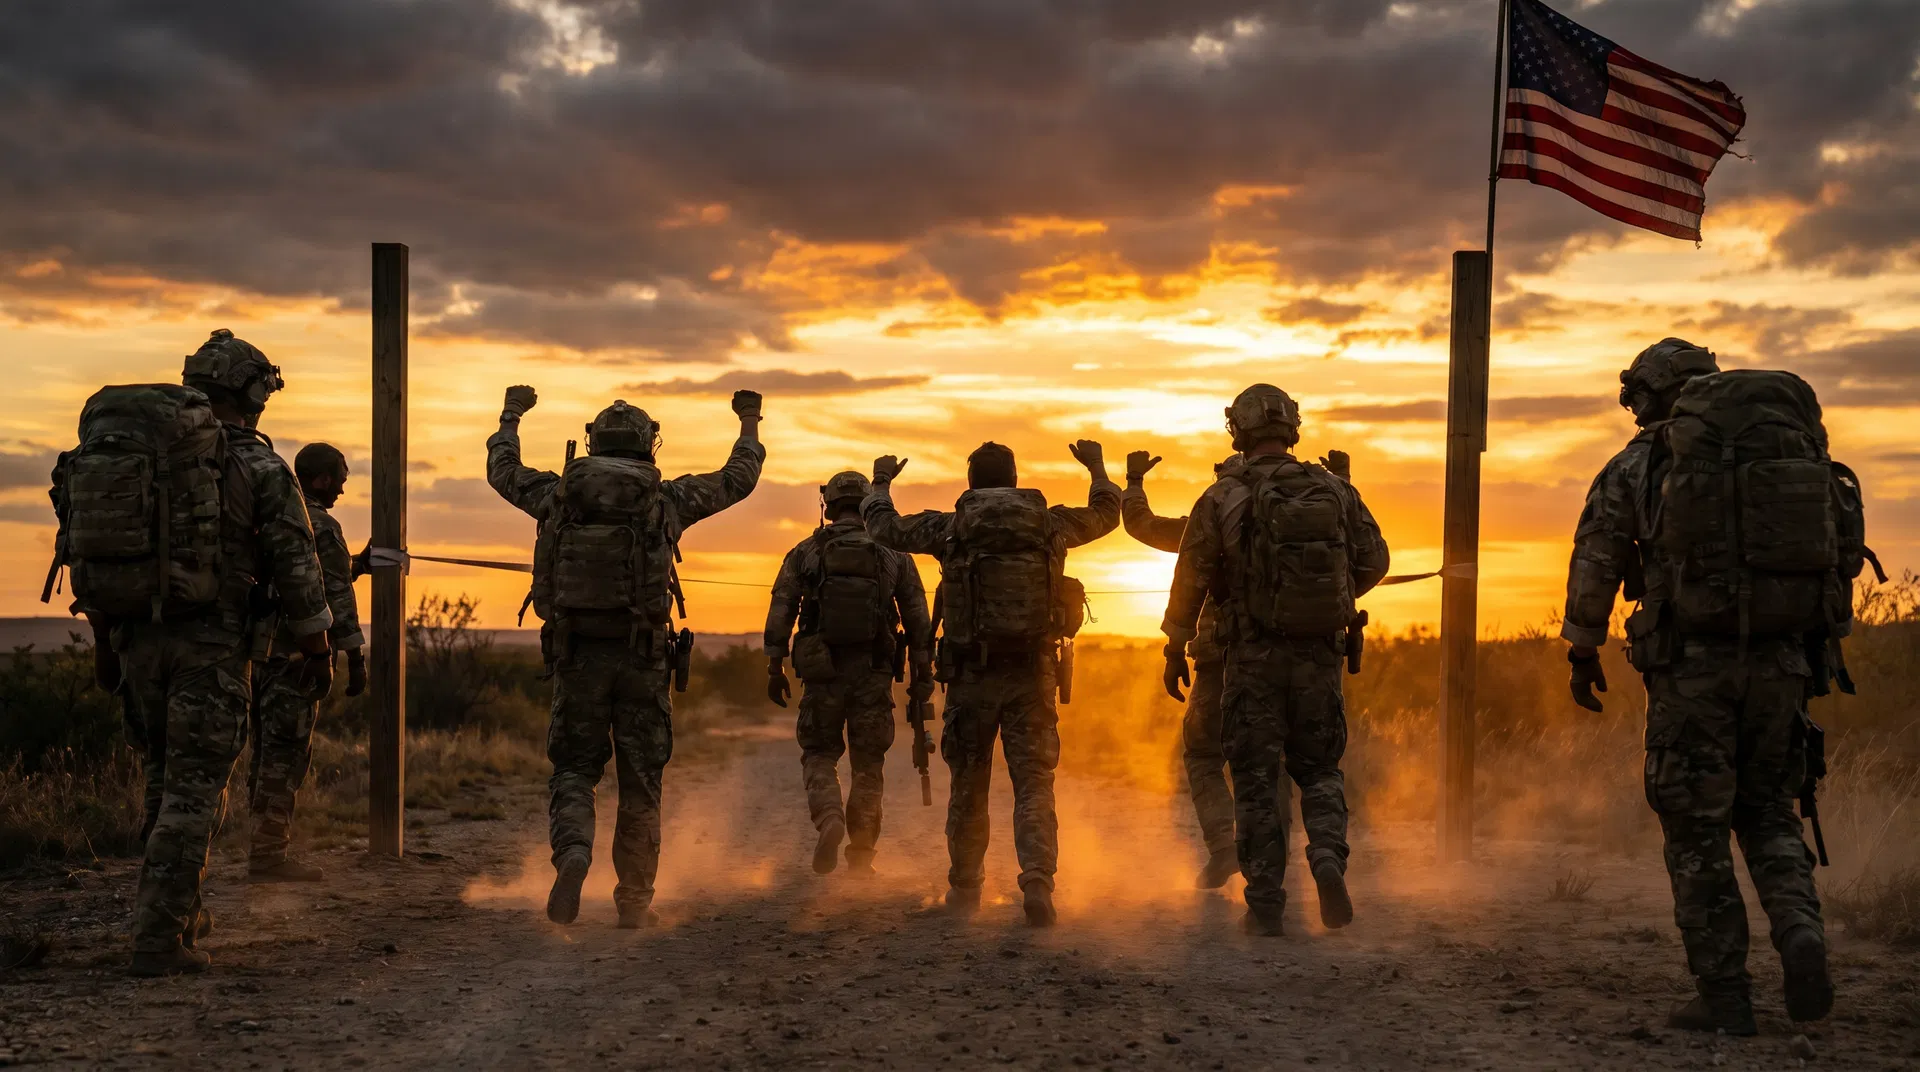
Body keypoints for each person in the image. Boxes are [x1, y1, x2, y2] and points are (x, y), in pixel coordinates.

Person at [1562, 338, 1835, 1034]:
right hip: (1782, 664)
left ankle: (1725, 995)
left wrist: (1583, 650)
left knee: (1696, 830)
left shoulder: (1641, 462)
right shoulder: (1788, 453)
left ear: (1653, 394)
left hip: (1691, 672)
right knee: (1771, 811)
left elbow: (1598, 555)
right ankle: (1801, 932)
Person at [50, 328, 334, 976]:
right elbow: (297, 563)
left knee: (162, 784)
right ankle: (157, 939)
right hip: (211, 646)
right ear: (252, 395)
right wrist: (318, 648)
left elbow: (88, 549)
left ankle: (180, 913)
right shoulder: (259, 466)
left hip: (132, 640)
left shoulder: (142, 459)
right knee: (194, 794)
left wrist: (103, 642)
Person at [487, 385, 763, 928]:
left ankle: (573, 855)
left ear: (594, 442)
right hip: (643, 659)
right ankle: (634, 902)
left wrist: (513, 414)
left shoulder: (559, 493)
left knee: (573, 770)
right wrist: (748, 419)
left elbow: (502, 469)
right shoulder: (667, 499)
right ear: (647, 445)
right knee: (641, 781)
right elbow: (739, 478)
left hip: (576, 655)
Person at [862, 440, 1119, 926]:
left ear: (971, 482)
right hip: (1032, 674)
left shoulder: (951, 526)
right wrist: (1097, 467)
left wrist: (880, 482)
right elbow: (1108, 513)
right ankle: (1038, 881)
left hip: (971, 677)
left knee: (969, 783)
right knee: (1034, 783)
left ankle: (964, 890)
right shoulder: (1050, 523)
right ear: (1016, 478)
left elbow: (882, 528)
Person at [1161, 385, 1387, 937]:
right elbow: (1375, 560)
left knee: (1257, 778)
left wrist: (1175, 644)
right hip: (1320, 654)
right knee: (1320, 769)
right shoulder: (1336, 491)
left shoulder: (1222, 497)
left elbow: (1190, 577)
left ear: (1236, 431)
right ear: (1293, 428)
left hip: (1252, 656)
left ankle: (1266, 903)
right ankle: (1329, 858)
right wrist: (1333, 597)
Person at [764, 471, 934, 875]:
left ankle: (830, 819)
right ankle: (860, 854)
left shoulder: (806, 551)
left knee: (820, 754)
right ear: (864, 506)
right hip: (873, 672)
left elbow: (781, 610)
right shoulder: (894, 554)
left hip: (822, 672)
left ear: (829, 504)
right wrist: (922, 676)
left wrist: (775, 665)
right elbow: (919, 623)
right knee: (868, 764)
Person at [245, 442, 367, 882]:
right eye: (340, 478)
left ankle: (260, 845)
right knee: (285, 759)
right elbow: (333, 594)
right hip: (298, 660)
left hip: (257, 659)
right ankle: (268, 858)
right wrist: (353, 656)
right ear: (320, 480)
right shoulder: (323, 526)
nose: (342, 487)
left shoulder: (267, 519)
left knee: (263, 756)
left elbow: (299, 577)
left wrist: (354, 565)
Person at [1121, 449, 1241, 889]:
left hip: (1217, 661)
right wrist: (1342, 478)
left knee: (1204, 754)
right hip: (1286, 659)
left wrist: (1134, 479)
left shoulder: (1206, 521)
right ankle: (1274, 862)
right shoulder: (1288, 524)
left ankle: (1225, 850)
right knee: (1273, 760)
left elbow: (1141, 525)